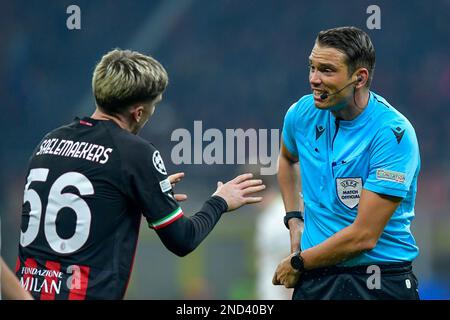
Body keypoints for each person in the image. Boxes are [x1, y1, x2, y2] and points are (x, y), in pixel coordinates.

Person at [15, 49, 265, 300]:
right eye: (154, 105)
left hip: (25, 292)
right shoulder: (135, 153)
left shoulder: (48, 143)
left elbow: (83, 205)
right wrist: (219, 201)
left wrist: (144, 194)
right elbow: (183, 240)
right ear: (138, 112)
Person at [273, 26, 421, 300]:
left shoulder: (393, 134)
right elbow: (287, 158)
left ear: (359, 78)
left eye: (327, 70)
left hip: (378, 281)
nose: (314, 79)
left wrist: (297, 262)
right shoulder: (301, 114)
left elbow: (364, 236)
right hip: (315, 278)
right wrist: (295, 221)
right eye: (312, 67)